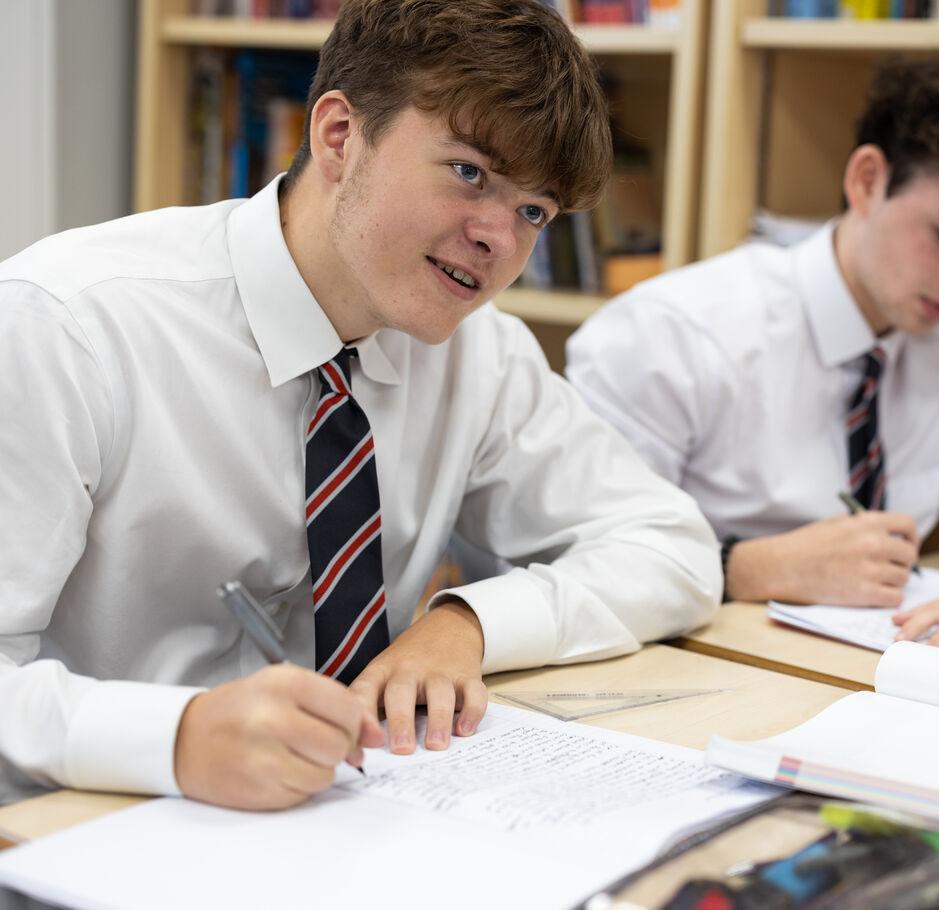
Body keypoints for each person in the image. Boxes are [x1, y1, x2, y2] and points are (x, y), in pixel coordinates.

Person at [0, 0, 721, 810]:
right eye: (469, 172)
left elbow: (671, 549)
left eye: (533, 211)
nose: (500, 239)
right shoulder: (65, 325)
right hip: (89, 822)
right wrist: (174, 737)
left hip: (356, 814)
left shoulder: (480, 355)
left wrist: (466, 624)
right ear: (340, 136)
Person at [567, 54, 939, 657]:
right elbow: (571, 556)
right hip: (688, 664)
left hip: (870, 668)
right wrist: (749, 568)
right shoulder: (672, 332)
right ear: (866, 181)